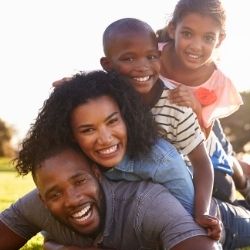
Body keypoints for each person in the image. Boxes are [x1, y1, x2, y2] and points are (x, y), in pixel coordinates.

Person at [1, 71, 250, 249]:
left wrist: (202, 214)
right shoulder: (58, 187)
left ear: (126, 118)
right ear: (72, 137)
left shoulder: (157, 164)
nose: (105, 139)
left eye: (112, 121)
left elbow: (191, 231)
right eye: (87, 130)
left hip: (207, 215)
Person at [99, 17, 216, 231]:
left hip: (181, 193)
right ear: (108, 65)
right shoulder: (101, 101)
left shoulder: (176, 106)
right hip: (131, 196)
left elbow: (201, 163)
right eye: (128, 59)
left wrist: (202, 212)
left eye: (151, 56)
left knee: (240, 224)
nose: (142, 66)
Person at [0, 144, 221, 250]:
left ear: (97, 175)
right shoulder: (36, 207)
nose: (73, 199)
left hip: (214, 219)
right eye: (55, 194)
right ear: (42, 200)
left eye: (79, 181)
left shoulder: (146, 203)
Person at [156, 0, 250, 204]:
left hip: (200, 133)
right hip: (161, 131)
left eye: (208, 38)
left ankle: (243, 180)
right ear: (173, 29)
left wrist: (196, 106)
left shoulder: (217, 82)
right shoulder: (152, 55)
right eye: (187, 34)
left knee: (224, 169)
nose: (196, 46)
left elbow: (205, 137)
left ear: (220, 39)